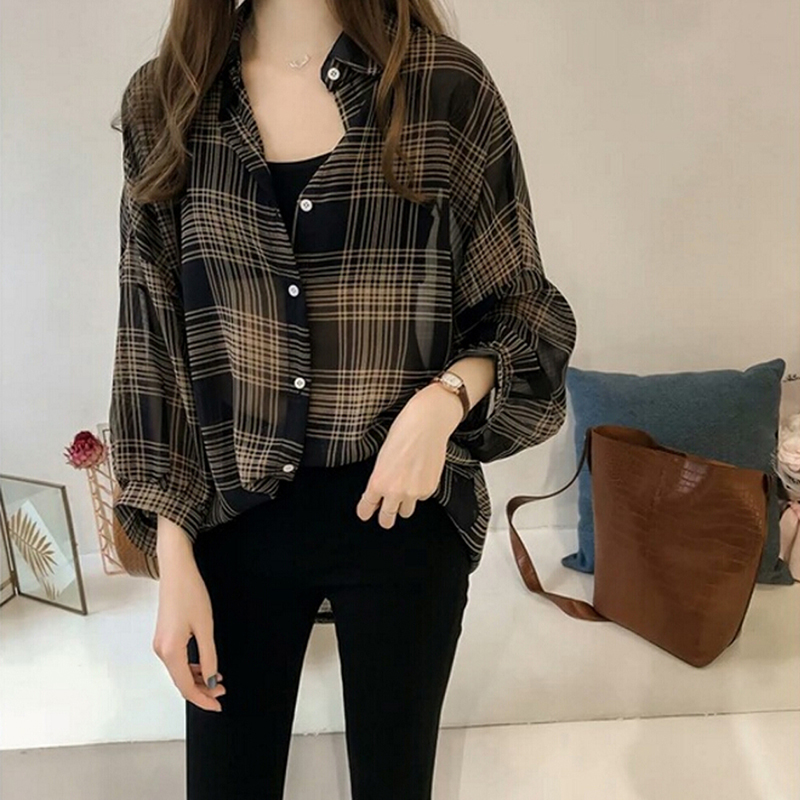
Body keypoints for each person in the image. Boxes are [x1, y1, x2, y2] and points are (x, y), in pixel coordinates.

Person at [108, 0, 577, 797]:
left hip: (403, 514)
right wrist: (172, 550)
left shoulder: (442, 89)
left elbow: (524, 312)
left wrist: (444, 400)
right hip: (233, 520)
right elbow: (151, 343)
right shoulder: (168, 101)